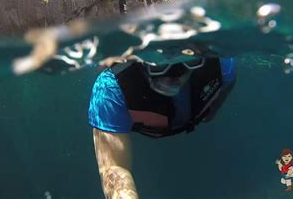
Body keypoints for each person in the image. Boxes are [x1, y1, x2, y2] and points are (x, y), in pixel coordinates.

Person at [88, 43, 237, 198]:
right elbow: (113, 168)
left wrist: (213, 111)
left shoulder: (221, 64)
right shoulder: (110, 89)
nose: (174, 73)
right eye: (159, 63)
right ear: (138, 59)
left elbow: (227, 84)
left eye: (188, 60)